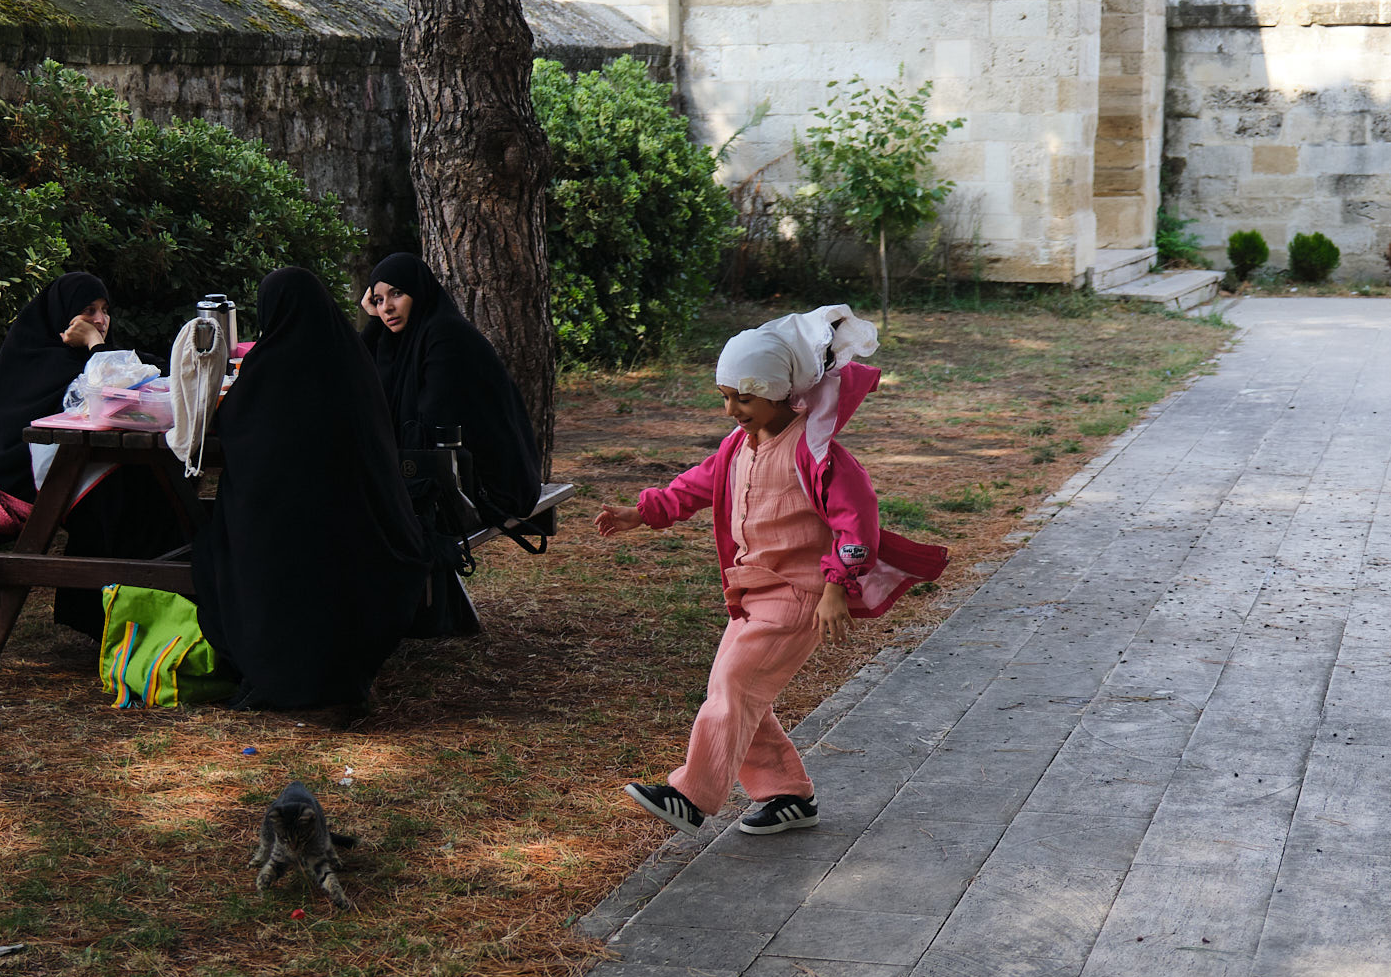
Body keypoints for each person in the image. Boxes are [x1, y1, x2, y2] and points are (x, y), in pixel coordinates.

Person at [595, 306, 950, 836]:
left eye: (745, 397)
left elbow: (858, 526)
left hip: (801, 593)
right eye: (725, 396)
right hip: (752, 590)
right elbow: (696, 485)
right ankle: (788, 796)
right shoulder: (740, 445)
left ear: (783, 391)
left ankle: (690, 797)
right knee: (738, 692)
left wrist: (836, 588)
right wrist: (643, 512)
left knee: (736, 685)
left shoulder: (818, 455)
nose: (732, 409)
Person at [192, 267, 429, 711]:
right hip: (361, 544)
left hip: (282, 549)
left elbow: (233, 430)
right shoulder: (352, 360)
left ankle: (270, 668)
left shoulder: (268, 368)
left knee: (216, 540)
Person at [0, 271, 183, 639]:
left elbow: (144, 372)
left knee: (147, 488)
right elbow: (110, 391)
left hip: (72, 466)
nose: (100, 320)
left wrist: (97, 348)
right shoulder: (40, 360)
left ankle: (143, 609)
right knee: (131, 494)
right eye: (88, 311)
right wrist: (95, 346)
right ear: (62, 316)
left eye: (104, 310)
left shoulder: (78, 358)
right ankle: (119, 612)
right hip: (20, 480)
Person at [359, 252, 543, 530]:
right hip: (441, 474)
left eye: (397, 293)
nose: (387, 308)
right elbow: (363, 380)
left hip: (486, 487)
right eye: (378, 300)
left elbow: (434, 421)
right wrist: (372, 321)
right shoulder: (405, 339)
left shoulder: (446, 336)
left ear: (418, 291)